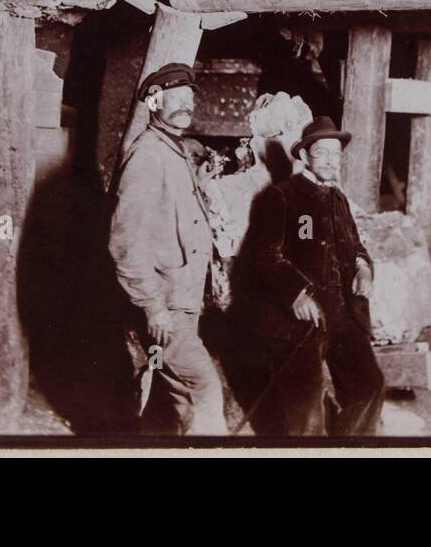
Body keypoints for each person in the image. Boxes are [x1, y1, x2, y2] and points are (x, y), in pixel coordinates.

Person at [233, 116, 385, 436]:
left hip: (341, 311)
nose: (332, 161)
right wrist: (297, 294)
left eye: (336, 154)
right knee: (305, 406)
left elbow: (355, 245)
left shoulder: (338, 199)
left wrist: (363, 268)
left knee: (368, 384)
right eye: (322, 153)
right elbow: (265, 257)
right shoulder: (281, 196)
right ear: (304, 156)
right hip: (296, 320)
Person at [107, 62, 226, 435]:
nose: (184, 105)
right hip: (164, 304)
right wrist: (152, 305)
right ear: (154, 103)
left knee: (167, 389)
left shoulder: (172, 150)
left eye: (188, 97)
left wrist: (200, 185)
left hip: (181, 298)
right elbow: (127, 240)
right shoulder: (147, 156)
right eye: (174, 98)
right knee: (201, 384)